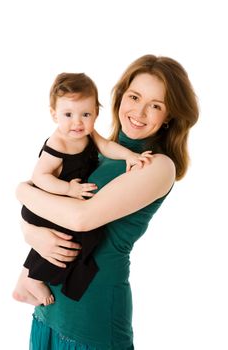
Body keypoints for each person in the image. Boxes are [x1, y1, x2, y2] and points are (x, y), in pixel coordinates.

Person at [16, 54, 199, 349]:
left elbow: (80, 218)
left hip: (92, 314)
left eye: (156, 105)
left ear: (170, 117)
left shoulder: (156, 165)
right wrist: (31, 233)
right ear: (120, 97)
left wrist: (22, 192)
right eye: (134, 97)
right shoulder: (96, 150)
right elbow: (48, 206)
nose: (139, 111)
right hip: (49, 303)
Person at [13, 72, 152, 307]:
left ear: (96, 113)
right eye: (68, 114)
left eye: (85, 114)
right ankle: (30, 278)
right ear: (53, 114)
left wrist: (130, 156)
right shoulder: (58, 143)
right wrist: (68, 189)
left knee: (66, 239)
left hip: (62, 205)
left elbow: (107, 146)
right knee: (64, 239)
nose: (77, 122)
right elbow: (40, 177)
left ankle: (30, 279)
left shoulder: (88, 134)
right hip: (47, 203)